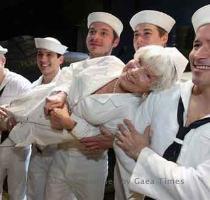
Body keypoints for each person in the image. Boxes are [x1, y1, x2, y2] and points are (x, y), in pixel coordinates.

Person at [114, 4, 210, 199]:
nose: (198, 55)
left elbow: (201, 189)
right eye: (197, 44)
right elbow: (124, 140)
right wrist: (138, 193)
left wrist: (143, 154)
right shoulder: (166, 94)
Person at [79, 9, 176, 200]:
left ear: (164, 38)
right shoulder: (130, 72)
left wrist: (115, 141)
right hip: (123, 171)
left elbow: (163, 138)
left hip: (153, 179)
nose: (139, 40)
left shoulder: (172, 81)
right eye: (136, 35)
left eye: (146, 33)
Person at [43, 11, 124, 200]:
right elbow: (56, 101)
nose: (95, 37)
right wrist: (62, 98)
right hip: (61, 155)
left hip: (91, 161)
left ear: (115, 41)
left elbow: (109, 121)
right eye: (92, 32)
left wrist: (68, 115)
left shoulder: (119, 72)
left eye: (104, 33)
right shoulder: (73, 68)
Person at [26, 37, 68, 200]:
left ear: (61, 59)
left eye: (49, 54)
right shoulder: (32, 87)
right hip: (37, 155)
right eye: (40, 54)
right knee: (34, 195)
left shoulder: (69, 85)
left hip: (62, 156)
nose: (43, 59)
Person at [0, 45, 31, 200]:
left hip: (16, 148)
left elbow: (30, 117)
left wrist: (10, 117)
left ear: (2, 60)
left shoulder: (21, 84)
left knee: (17, 193)